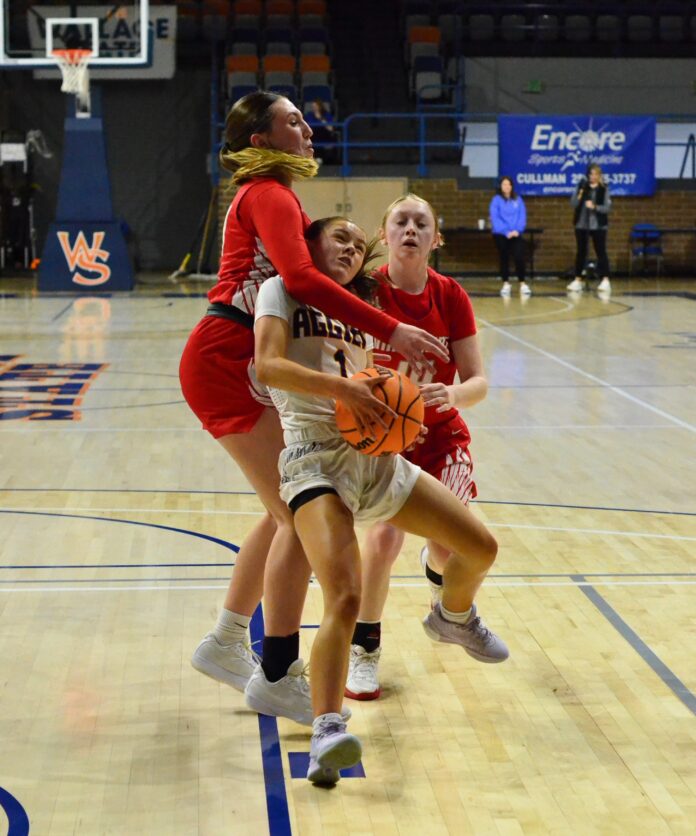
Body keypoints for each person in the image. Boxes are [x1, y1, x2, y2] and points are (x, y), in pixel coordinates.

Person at [179, 91, 448, 726]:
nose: (307, 126)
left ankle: (228, 639)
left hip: (235, 356)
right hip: (228, 357)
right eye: (292, 120)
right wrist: (390, 327)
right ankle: (276, 671)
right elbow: (300, 281)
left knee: (288, 503)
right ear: (261, 141)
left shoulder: (275, 194)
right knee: (296, 511)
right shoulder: (269, 192)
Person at [253, 214, 508, 784]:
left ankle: (453, 615)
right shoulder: (281, 290)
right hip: (315, 461)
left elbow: (371, 384)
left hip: (375, 460)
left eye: (356, 242)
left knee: (480, 548)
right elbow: (268, 365)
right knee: (345, 595)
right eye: (338, 237)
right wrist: (345, 391)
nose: (351, 247)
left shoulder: (363, 306)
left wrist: (398, 420)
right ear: (308, 246)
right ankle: (327, 730)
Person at [345, 194, 492, 701]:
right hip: (386, 442)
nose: (410, 229)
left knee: (452, 547)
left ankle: (440, 588)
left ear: (436, 239)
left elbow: (478, 382)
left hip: (442, 438)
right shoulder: (364, 292)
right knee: (384, 540)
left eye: (421, 223)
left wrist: (451, 394)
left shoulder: (450, 296)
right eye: (401, 221)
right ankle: (364, 650)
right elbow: (342, 364)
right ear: (383, 235)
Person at [567, 163, 612, 294]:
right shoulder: (582, 187)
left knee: (600, 251)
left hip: (598, 225)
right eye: (591, 174)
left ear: (599, 176)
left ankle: (605, 279)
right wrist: (580, 192)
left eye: (596, 174)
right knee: (581, 252)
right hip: (582, 224)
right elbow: (573, 203)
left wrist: (595, 207)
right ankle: (578, 279)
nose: (593, 177)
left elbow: (607, 208)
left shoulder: (603, 189)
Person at [489, 176, 530, 298]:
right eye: (504, 184)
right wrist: (506, 231)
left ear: (512, 186)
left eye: (509, 184)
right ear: (501, 187)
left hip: (516, 234)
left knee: (519, 257)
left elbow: (522, 217)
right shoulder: (496, 200)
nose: (506, 187)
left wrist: (517, 230)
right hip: (501, 234)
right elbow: (495, 218)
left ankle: (522, 283)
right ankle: (506, 283)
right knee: (504, 257)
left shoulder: (518, 200)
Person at [304, 99, 337, 164]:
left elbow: (330, 129)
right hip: (312, 138)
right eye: (313, 107)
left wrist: (320, 118)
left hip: (325, 137)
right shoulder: (309, 115)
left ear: (320, 107)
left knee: (329, 150)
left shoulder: (327, 115)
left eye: (316, 107)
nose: (314, 108)